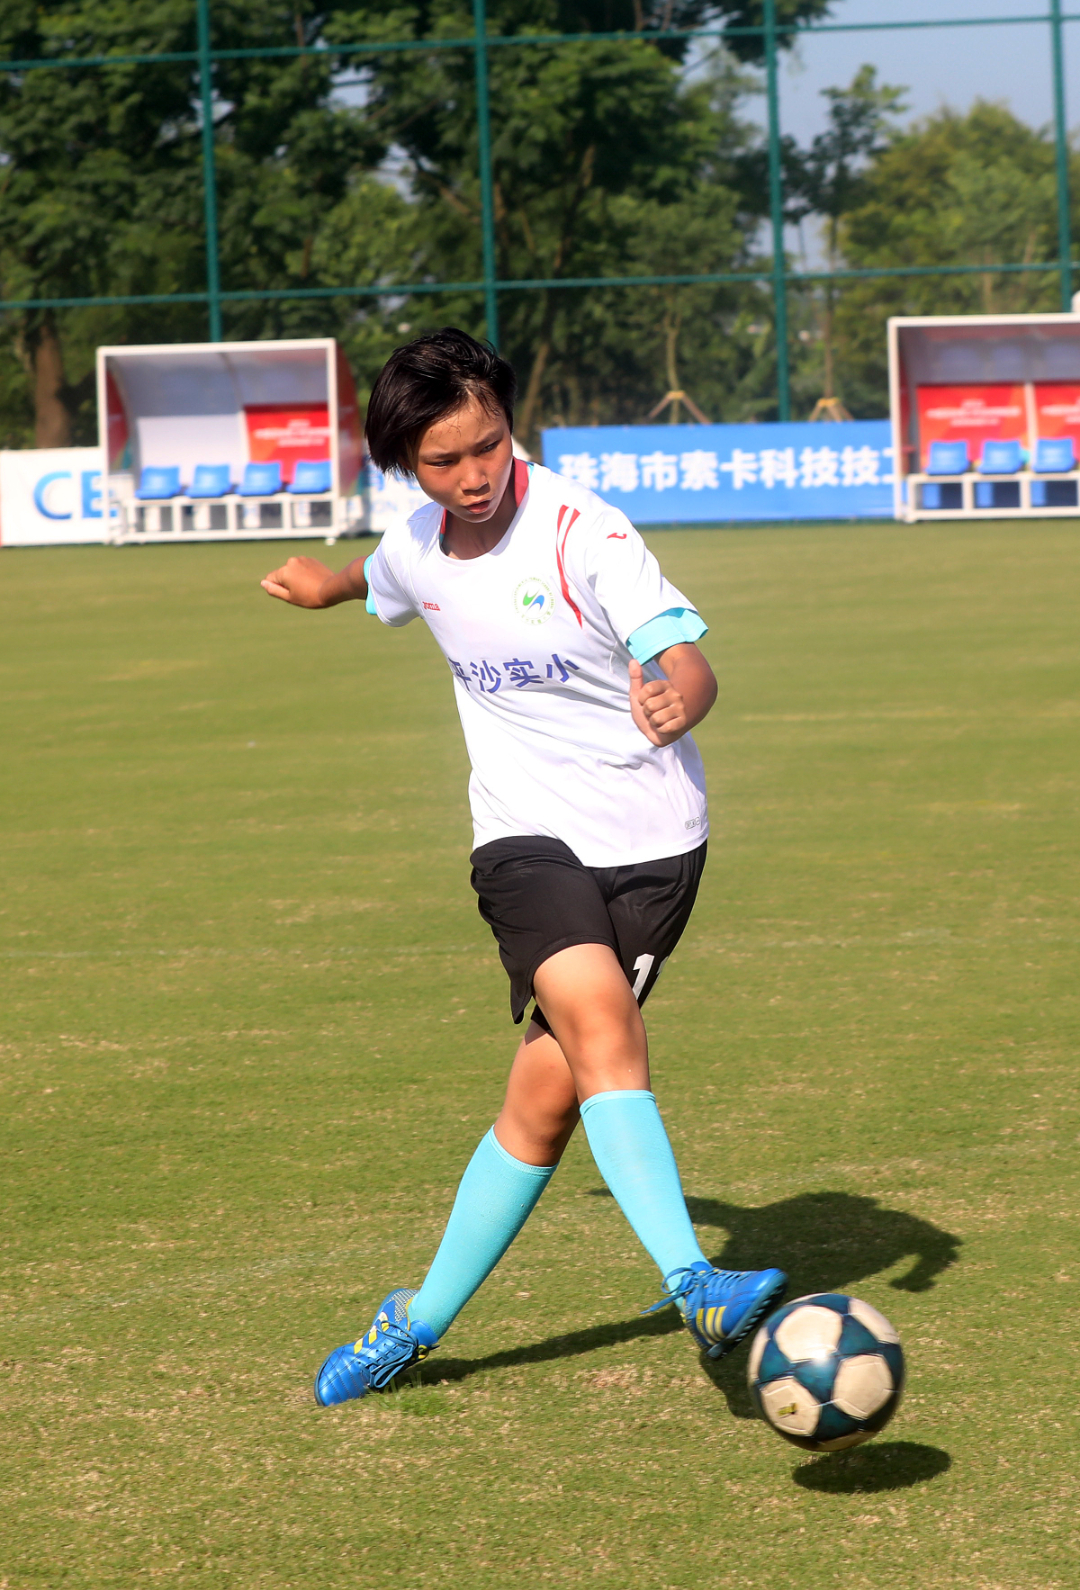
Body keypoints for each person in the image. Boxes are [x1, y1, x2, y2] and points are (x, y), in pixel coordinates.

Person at [261, 328, 786, 1405]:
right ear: (407, 467)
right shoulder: (417, 545)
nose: (473, 476)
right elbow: (379, 574)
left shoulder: (586, 531)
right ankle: (694, 1281)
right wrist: (325, 589)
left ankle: (412, 1324)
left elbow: (684, 656)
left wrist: (683, 697)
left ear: (512, 426)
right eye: (442, 462)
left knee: (544, 1103)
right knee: (600, 1018)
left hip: (651, 844)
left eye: (489, 446)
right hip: (522, 835)